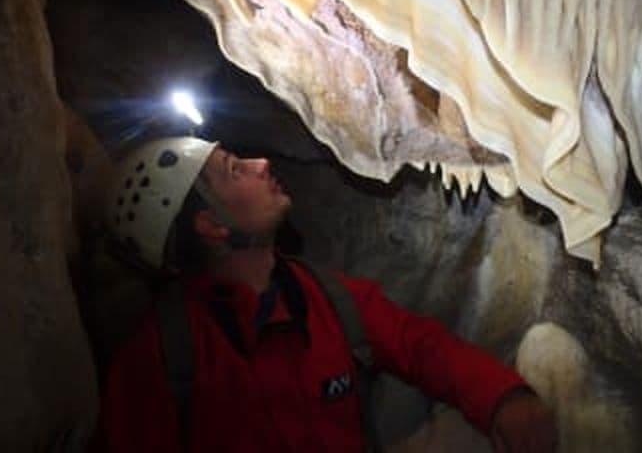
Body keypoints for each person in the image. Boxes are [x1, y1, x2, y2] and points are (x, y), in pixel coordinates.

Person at [99, 137, 558, 452]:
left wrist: (503, 397)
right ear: (212, 226)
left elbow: (420, 345)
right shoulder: (159, 361)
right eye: (235, 170)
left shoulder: (328, 299)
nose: (262, 164)